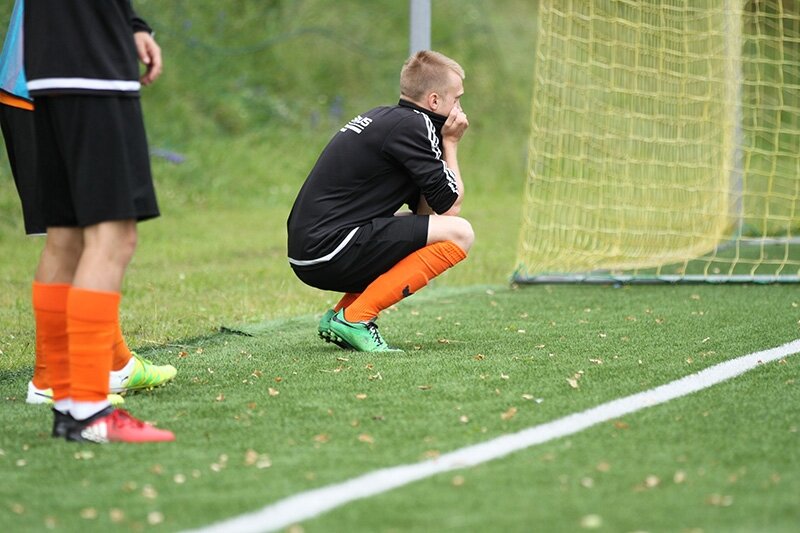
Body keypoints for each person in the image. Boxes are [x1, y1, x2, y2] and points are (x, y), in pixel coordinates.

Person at [0, 0, 177, 408]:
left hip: (37, 74)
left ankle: (75, 379)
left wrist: (132, 23)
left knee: (70, 236)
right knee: (107, 235)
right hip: (87, 70)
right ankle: (84, 397)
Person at [287, 50, 474, 352]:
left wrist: (440, 149)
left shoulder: (389, 120)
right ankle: (356, 318)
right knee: (462, 233)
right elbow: (451, 207)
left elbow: (427, 212)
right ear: (434, 101)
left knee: (432, 230)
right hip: (330, 250)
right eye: (457, 99)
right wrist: (451, 144)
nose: (460, 109)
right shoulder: (416, 126)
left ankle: (341, 314)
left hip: (311, 249)